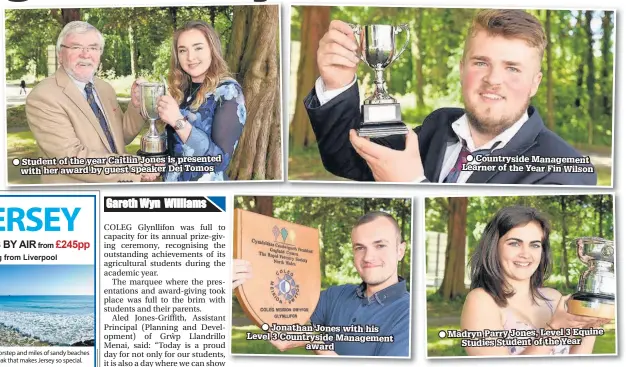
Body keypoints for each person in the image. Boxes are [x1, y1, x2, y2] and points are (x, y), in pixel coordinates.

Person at [304, 9, 597, 185]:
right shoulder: (438, 125)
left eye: (512, 68)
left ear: (535, 83)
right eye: (481, 62)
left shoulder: (566, 168)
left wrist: (412, 185)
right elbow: (347, 161)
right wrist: (337, 82)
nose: (493, 80)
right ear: (462, 68)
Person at [233, 211, 410, 356]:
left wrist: (314, 342)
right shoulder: (336, 296)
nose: (368, 257)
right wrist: (237, 278)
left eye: (380, 245)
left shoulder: (410, 314)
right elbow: (280, 311)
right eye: (360, 247)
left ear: (400, 251)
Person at [460, 206, 612, 356]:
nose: (526, 254)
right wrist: (554, 330)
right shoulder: (480, 301)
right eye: (514, 243)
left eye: (534, 245)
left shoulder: (553, 299)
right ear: (494, 246)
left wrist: (589, 329)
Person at [25, 21, 155, 184]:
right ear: (60, 54)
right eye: (76, 47)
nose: (86, 55)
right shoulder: (43, 96)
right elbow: (71, 159)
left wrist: (136, 106)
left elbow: (118, 138)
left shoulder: (104, 88)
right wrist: (134, 167)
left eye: (93, 48)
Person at [157, 20, 246, 181]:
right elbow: (176, 149)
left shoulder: (228, 92)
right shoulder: (180, 90)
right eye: (183, 50)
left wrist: (178, 121)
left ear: (212, 49)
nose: (190, 57)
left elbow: (219, 161)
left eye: (198, 48)